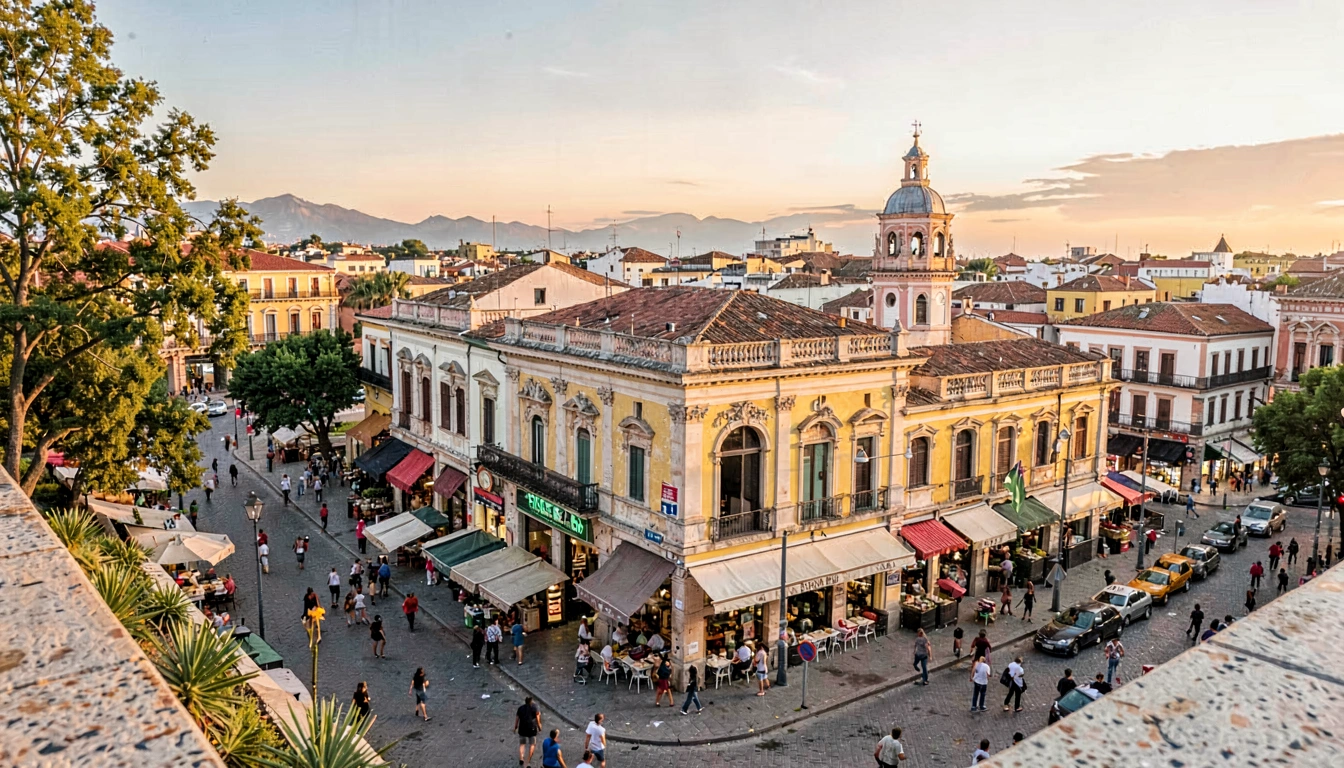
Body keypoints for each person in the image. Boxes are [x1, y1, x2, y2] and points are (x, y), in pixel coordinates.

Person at [515, 695, 542, 768]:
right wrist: (539, 727)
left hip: (522, 728)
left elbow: (517, 719)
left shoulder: (520, 708)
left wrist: (515, 727)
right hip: (532, 728)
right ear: (531, 701)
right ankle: (527, 761)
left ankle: (521, 758)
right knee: (532, 744)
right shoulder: (535, 708)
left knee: (522, 744)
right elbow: (537, 719)